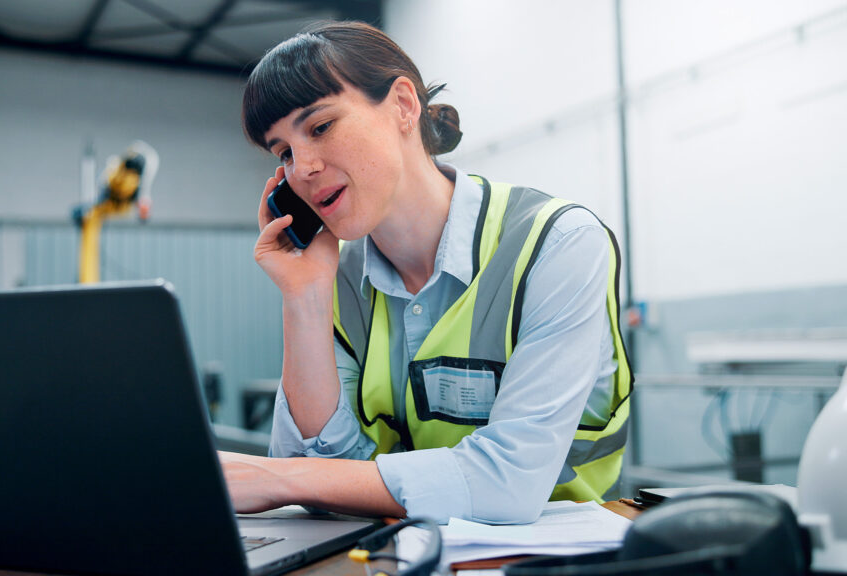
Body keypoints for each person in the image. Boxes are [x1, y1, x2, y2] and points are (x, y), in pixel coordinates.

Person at [220, 21, 633, 524]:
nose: (302, 167)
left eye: (320, 127)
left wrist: (277, 478)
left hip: (561, 554)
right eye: (283, 152)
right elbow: (320, 478)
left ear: (403, 105)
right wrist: (303, 298)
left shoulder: (557, 244)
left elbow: (508, 482)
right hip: (397, 551)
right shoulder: (336, 278)